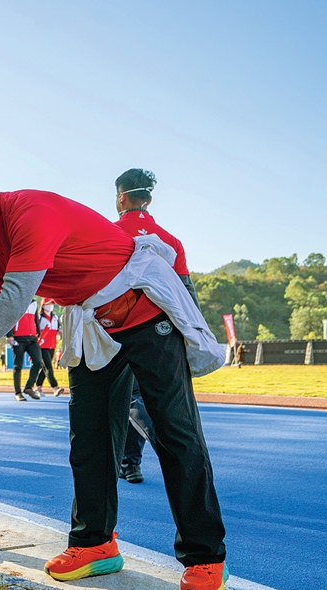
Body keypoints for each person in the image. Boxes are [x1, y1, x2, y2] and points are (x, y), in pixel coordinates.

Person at [0, 170, 229, 590]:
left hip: (146, 314)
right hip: (94, 322)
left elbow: (14, 299)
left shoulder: (31, 212)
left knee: (174, 430)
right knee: (89, 435)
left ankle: (205, 557)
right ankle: (94, 542)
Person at [113, 168, 200, 485]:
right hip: (165, 332)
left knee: (130, 399)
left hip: (119, 328)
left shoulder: (108, 233)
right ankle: (130, 462)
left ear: (121, 198)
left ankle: (164, 453)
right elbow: (186, 291)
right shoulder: (171, 240)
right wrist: (195, 334)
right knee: (164, 401)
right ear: (149, 200)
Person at [8, 299, 45, 401]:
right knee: (18, 366)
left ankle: (28, 387)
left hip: (32, 338)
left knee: (38, 361)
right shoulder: (15, 300)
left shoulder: (34, 303)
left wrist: (38, 332)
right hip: (18, 338)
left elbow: (35, 318)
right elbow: (8, 318)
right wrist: (9, 335)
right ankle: (18, 393)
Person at [35, 299, 64, 397]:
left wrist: (61, 331)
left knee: (44, 368)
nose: (50, 306)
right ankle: (55, 387)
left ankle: (38, 386)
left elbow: (58, 329)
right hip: (41, 345)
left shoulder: (55, 317)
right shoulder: (39, 317)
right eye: (48, 304)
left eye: (52, 304)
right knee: (48, 366)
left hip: (52, 345)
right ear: (43, 305)